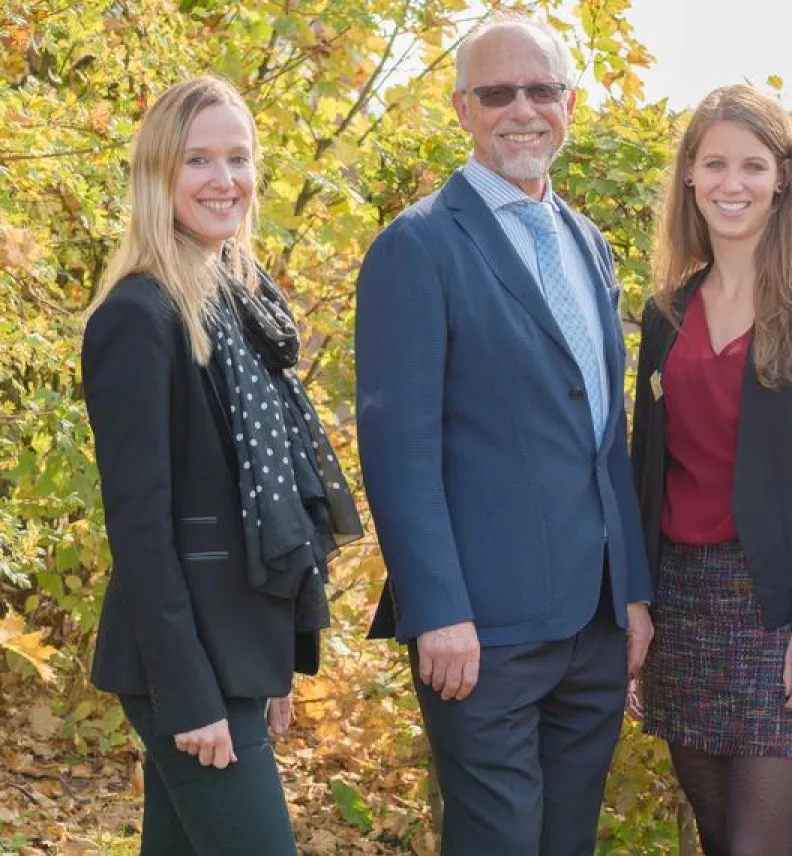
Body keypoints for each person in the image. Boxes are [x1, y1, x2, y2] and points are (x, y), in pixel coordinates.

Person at [354, 15, 653, 856]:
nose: (521, 109)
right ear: (461, 109)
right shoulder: (415, 248)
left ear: (568, 102)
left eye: (541, 89)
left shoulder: (588, 244)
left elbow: (606, 440)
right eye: (497, 93)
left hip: (593, 626)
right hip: (480, 635)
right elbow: (398, 454)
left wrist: (629, 590)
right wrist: (437, 610)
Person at [81, 76, 362, 854]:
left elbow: (265, 514)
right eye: (198, 159)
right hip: (185, 666)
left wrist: (268, 667)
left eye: (237, 159)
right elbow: (141, 531)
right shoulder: (139, 317)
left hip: (235, 655)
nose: (224, 180)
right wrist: (192, 696)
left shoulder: (241, 306)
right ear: (158, 176)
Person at [629, 84, 792, 855]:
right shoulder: (668, 308)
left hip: (781, 605)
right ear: (690, 179)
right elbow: (644, 470)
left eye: (752, 165)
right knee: (714, 838)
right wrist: (637, 605)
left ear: (783, 178)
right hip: (685, 605)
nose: (732, 183)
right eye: (714, 165)